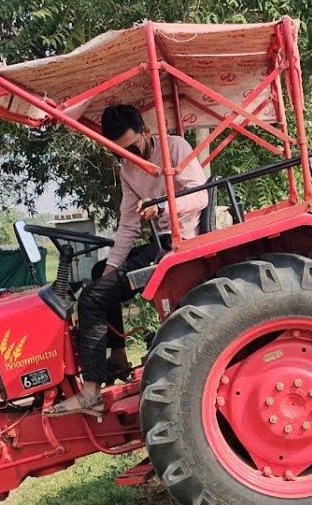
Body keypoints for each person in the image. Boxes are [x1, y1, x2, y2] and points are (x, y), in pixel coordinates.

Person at [47, 104, 208, 417]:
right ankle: (118, 356)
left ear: (146, 133)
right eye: (121, 153)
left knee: (91, 300)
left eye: (134, 147)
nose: (130, 156)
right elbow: (129, 226)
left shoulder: (175, 148)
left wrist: (161, 207)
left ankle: (91, 391)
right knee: (97, 277)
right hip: (159, 243)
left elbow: (200, 195)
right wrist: (109, 271)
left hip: (179, 243)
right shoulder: (128, 169)